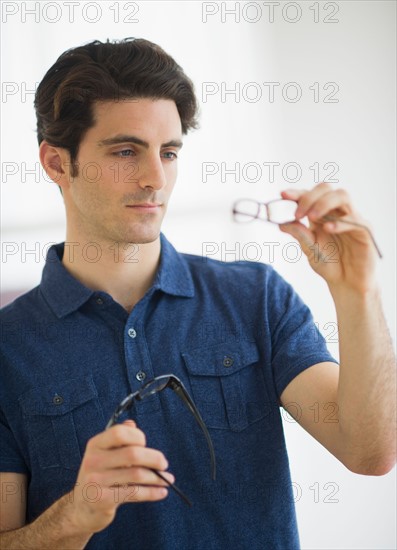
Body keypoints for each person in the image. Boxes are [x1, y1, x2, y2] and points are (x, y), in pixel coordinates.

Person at [0, 38, 395, 550]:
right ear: (57, 163)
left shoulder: (256, 298)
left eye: (168, 152)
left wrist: (358, 293)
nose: (154, 179)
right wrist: (76, 515)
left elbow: (371, 451)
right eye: (125, 151)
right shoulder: (9, 350)